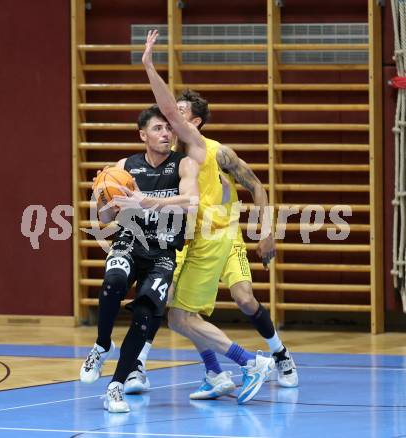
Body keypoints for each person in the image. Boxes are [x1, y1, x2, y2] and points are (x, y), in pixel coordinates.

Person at [131, 29, 291, 405]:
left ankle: (258, 361)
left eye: (180, 117)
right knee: (174, 311)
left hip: (216, 235)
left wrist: (149, 66)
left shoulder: (203, 147)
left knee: (214, 306)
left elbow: (167, 108)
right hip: (191, 237)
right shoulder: (171, 154)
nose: (171, 122)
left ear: (194, 123)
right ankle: (216, 372)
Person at [79, 104, 200, 413]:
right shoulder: (124, 166)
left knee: (146, 313)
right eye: (158, 128)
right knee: (114, 280)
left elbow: (191, 200)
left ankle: (116, 386)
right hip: (131, 241)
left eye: (169, 128)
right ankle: (102, 344)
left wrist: (149, 201)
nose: (166, 133)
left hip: (162, 252)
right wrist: (105, 193)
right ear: (143, 135)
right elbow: (107, 215)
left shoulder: (183, 164)